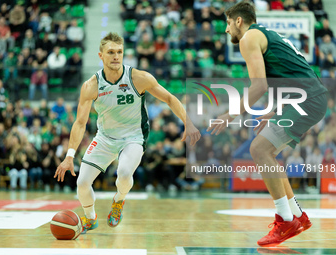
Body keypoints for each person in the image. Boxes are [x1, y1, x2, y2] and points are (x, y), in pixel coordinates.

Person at [207, 1, 328, 247]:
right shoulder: (267, 35)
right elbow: (295, 73)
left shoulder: (249, 38)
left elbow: (259, 86)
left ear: (239, 20)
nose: (227, 30)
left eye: (228, 24)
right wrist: (275, 110)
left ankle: (285, 221)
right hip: (307, 96)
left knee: (260, 150)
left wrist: (230, 114)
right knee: (268, 152)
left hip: (308, 99)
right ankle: (297, 215)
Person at [54, 32, 200, 234]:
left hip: (134, 137)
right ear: (101, 56)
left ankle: (118, 201)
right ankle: (90, 219)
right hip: (105, 137)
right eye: (111, 52)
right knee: (82, 183)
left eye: (119, 52)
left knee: (123, 173)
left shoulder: (139, 78)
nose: (116, 56)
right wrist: (69, 156)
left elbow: (169, 98)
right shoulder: (91, 86)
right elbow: (80, 123)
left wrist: (188, 122)